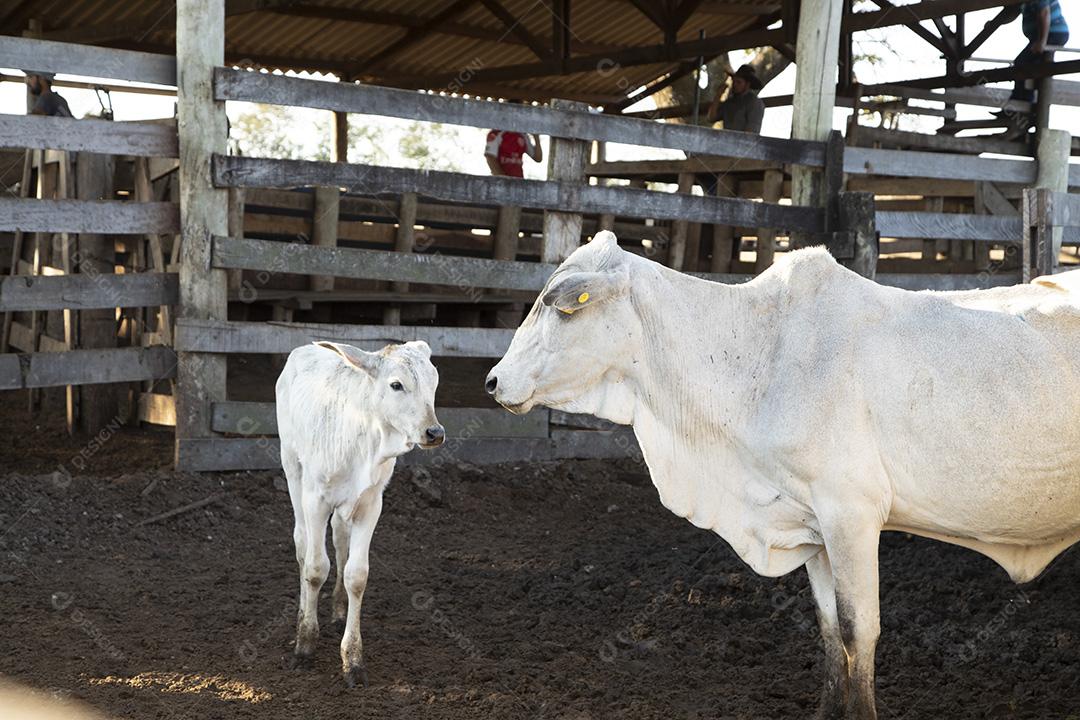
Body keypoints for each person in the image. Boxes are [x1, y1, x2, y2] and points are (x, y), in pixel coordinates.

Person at [1011, 0, 1069, 103]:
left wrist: (1042, 41)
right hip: (1045, 35)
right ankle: (1022, 101)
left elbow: (1044, 13)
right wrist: (993, 23)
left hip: (1053, 33)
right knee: (1032, 64)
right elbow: (1011, 13)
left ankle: (1021, 102)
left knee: (1021, 62)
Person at [706, 65, 764, 134]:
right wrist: (718, 95)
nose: (734, 85)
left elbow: (751, 133)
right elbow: (711, 118)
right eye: (734, 81)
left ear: (747, 84)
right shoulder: (729, 102)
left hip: (742, 143)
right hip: (727, 141)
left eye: (739, 82)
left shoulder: (754, 103)